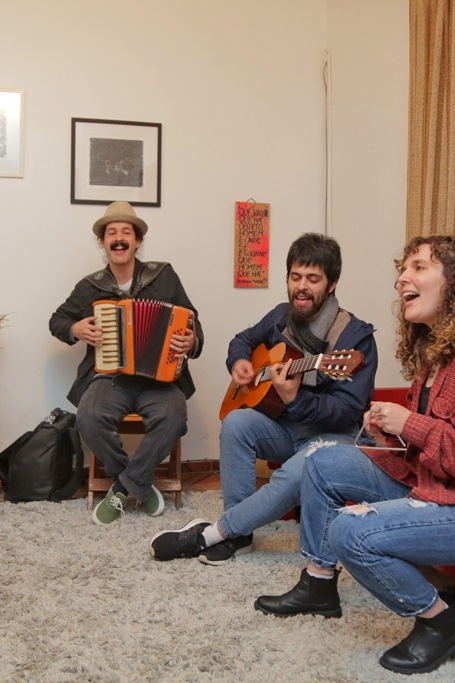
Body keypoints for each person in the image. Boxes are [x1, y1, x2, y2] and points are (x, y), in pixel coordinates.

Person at [254, 235, 455, 675]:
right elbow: (440, 436)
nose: (401, 279)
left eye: (418, 268)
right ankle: (318, 585)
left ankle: (440, 622)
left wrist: (408, 423)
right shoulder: (442, 350)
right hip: (434, 483)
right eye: (402, 270)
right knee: (322, 458)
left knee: (352, 533)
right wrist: (390, 429)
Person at [150, 233, 378, 564]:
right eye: (295, 277)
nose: (302, 287)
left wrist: (295, 398)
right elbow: (242, 340)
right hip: (287, 427)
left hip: (332, 438)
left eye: (313, 279)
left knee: (297, 472)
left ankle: (217, 533)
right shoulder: (279, 316)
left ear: (332, 284)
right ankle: (241, 536)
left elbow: (347, 411)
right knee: (236, 422)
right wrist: (240, 362)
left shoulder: (354, 337)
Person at [49, 201, 203, 525]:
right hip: (110, 379)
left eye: (126, 232)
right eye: (111, 233)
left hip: (158, 380)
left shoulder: (164, 276)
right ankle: (139, 485)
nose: (119, 239)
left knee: (174, 415)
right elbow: (57, 321)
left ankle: (121, 488)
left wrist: (192, 341)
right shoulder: (90, 286)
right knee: (88, 417)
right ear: (103, 242)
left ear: (137, 241)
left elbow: (193, 322)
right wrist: (76, 328)